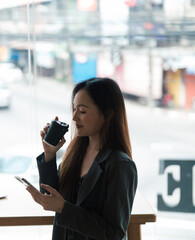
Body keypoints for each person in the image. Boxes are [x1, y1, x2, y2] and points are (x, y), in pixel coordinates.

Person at [26, 77, 138, 240]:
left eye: (82, 111)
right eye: (74, 109)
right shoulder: (76, 153)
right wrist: (49, 154)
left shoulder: (120, 165)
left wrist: (65, 209)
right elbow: (51, 197)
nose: (74, 118)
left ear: (107, 115)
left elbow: (114, 233)